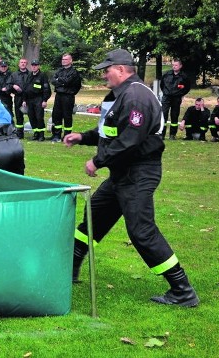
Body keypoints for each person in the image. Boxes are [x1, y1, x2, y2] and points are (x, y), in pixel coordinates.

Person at [63, 48, 199, 307]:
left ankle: (182, 290)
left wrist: (97, 161)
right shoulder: (122, 95)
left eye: (107, 70)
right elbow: (110, 131)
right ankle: (71, 266)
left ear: (122, 69)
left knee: (141, 232)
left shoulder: (136, 96)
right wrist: (83, 137)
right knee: (94, 216)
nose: (104, 76)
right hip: (122, 173)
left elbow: (129, 141)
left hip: (138, 173)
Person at [50, 53, 82, 142]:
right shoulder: (59, 71)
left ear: (71, 61)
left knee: (67, 116)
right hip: (59, 96)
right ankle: (56, 135)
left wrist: (59, 80)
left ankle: (67, 136)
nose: (63, 61)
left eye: (66, 59)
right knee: (56, 115)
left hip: (68, 96)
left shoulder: (74, 72)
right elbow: (53, 80)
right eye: (63, 59)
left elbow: (68, 82)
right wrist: (61, 82)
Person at [161, 59, 191, 140]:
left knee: (174, 116)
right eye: (173, 65)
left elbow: (187, 87)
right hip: (166, 97)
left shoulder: (184, 77)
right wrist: (165, 92)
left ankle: (172, 135)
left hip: (176, 98)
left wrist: (181, 94)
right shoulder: (167, 74)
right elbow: (162, 84)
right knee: (164, 115)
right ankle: (162, 134)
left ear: (180, 66)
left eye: (176, 65)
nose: (174, 66)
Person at [23, 59, 51, 141]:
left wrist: (44, 100)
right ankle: (36, 133)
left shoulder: (42, 76)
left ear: (38, 66)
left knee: (39, 117)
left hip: (38, 99)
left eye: (35, 65)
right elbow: (25, 88)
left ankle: (41, 135)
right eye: (32, 65)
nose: (34, 67)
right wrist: (24, 100)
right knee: (31, 117)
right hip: (29, 100)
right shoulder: (29, 75)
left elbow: (46, 89)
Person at [11, 58, 31, 138]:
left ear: (26, 64)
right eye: (21, 62)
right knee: (19, 116)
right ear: (19, 64)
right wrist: (13, 86)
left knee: (31, 115)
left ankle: (37, 133)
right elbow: (9, 84)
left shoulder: (30, 74)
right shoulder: (14, 75)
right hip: (18, 97)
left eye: (24, 62)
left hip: (28, 98)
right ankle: (19, 133)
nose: (23, 64)